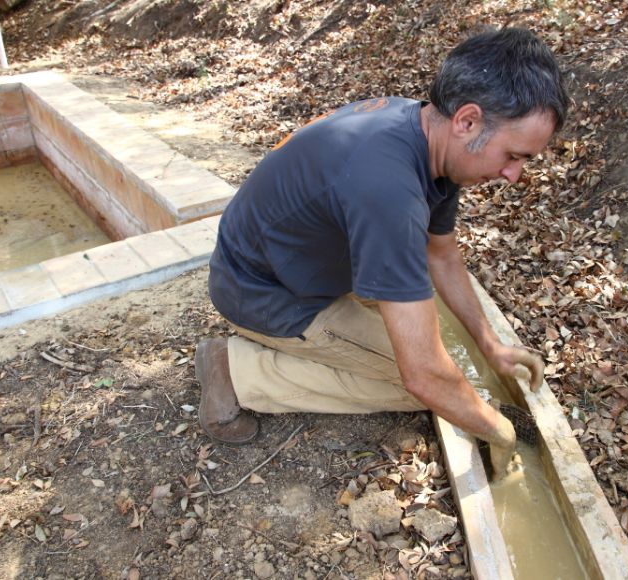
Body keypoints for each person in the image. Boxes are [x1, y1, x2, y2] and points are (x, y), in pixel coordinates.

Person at [199, 27, 568, 479]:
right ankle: (236, 371)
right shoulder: (389, 188)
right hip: (261, 293)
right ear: (468, 121)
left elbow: (443, 257)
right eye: (514, 155)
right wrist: (498, 431)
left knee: (439, 365)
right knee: (425, 391)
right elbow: (425, 377)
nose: (514, 174)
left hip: (295, 262)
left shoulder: (426, 134)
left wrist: (489, 344)